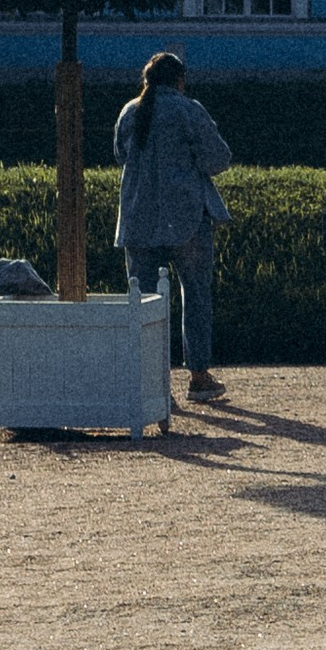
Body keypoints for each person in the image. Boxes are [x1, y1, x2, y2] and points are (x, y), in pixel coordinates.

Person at [114, 49, 234, 402]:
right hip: (186, 217)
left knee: (144, 302)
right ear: (180, 80)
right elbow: (218, 158)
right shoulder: (188, 110)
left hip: (139, 218)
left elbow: (121, 155)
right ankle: (198, 376)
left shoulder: (130, 113)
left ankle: (150, 383)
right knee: (195, 295)